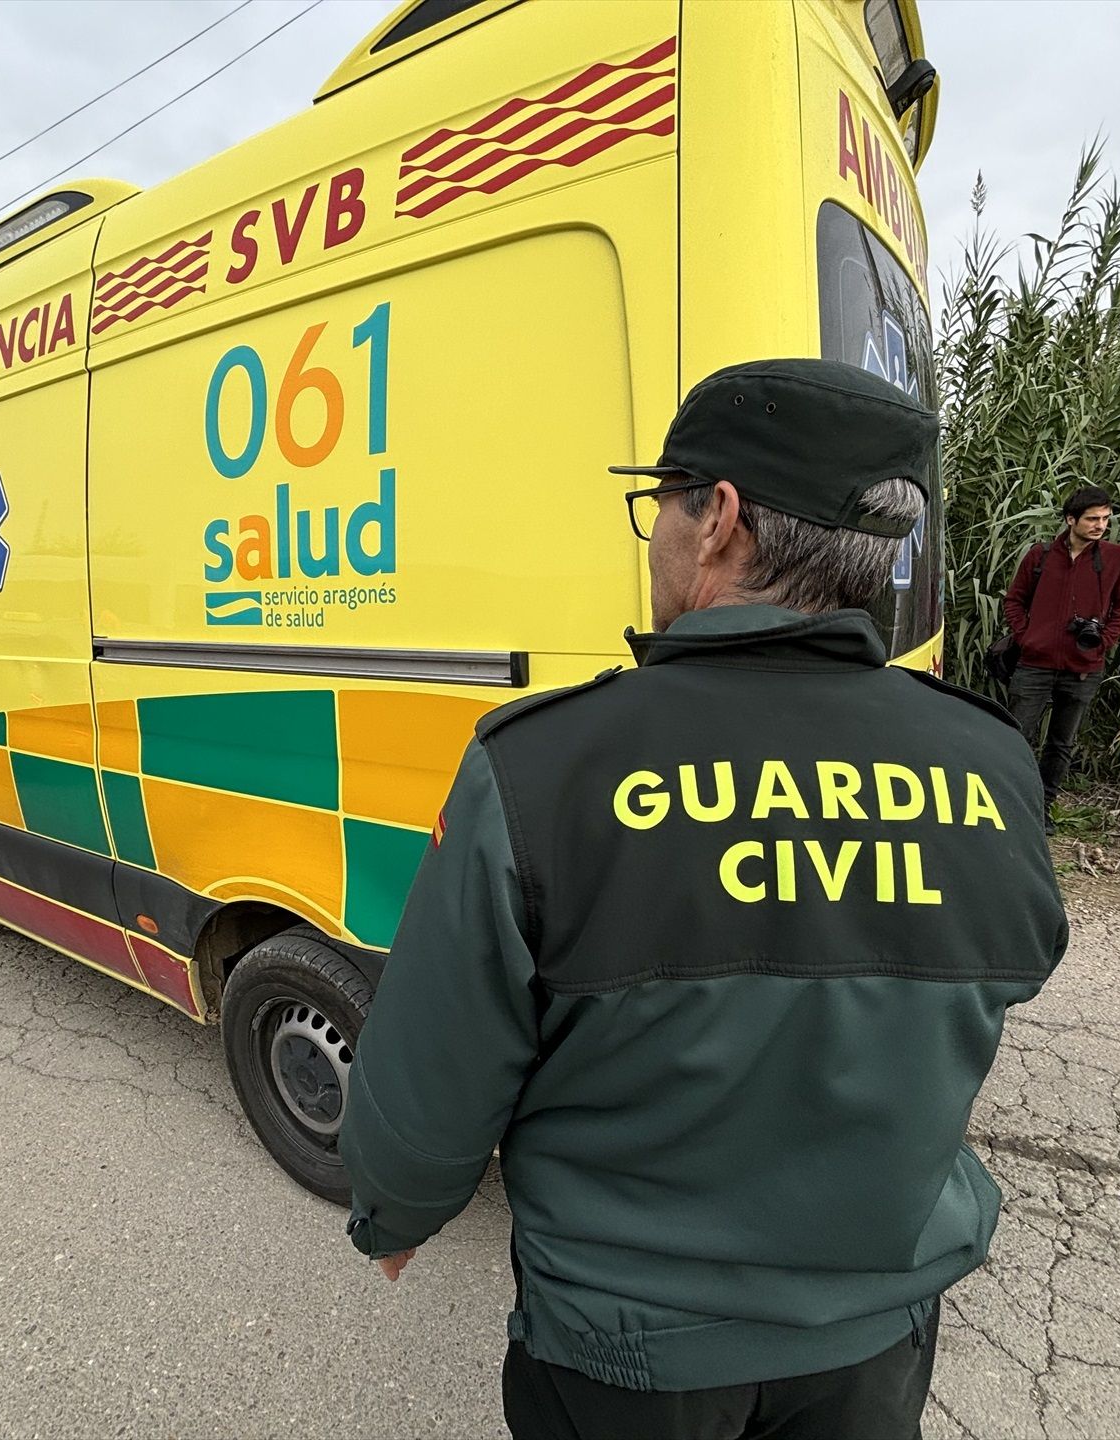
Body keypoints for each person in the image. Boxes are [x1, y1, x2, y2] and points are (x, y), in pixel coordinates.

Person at [340, 359, 1069, 1440]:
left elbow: (435, 1063)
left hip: (626, 1352)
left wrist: (396, 1216)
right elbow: (1015, 970)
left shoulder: (547, 768)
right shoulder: (991, 762)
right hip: (872, 1337)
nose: (656, 539)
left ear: (718, 519)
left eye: (661, 507)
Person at [1001, 486, 1120, 832]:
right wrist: (1026, 636)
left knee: (1062, 744)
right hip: (1033, 663)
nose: (1100, 525)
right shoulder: (1041, 556)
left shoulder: (1118, 558)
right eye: (1093, 519)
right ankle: (1008, 807)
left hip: (1083, 668)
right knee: (1016, 738)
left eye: (1106, 519)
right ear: (1070, 519)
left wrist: (1103, 641)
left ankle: (1042, 811)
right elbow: (1014, 600)